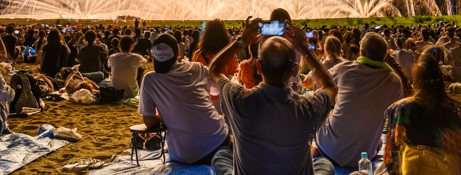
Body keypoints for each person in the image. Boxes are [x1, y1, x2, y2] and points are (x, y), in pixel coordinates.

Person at [208, 18, 337, 175]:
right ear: (294, 70)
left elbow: (214, 69)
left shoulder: (238, 100)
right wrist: (303, 48)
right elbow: (330, 87)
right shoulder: (306, 108)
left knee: (221, 156)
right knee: (324, 163)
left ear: (259, 67)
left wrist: (241, 41)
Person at [383, 48, 461, 175]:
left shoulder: (400, 110)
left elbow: (390, 158)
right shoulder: (457, 111)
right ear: (440, 80)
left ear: (416, 81)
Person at [314, 32, 407, 169]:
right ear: (385, 56)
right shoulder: (394, 81)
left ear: (361, 52)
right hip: (365, 154)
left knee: (322, 106)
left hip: (329, 149)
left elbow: (320, 90)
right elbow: (400, 113)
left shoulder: (343, 69)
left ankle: (312, 149)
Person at [136, 33, 230, 167]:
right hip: (220, 140)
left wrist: (166, 115)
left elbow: (149, 122)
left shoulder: (149, 79)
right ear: (178, 55)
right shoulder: (197, 67)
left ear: (152, 56)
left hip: (186, 154)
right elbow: (219, 89)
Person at [192, 20, 239, 100]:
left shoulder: (198, 55)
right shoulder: (231, 55)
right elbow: (233, 76)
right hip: (223, 97)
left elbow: (193, 76)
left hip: (204, 98)